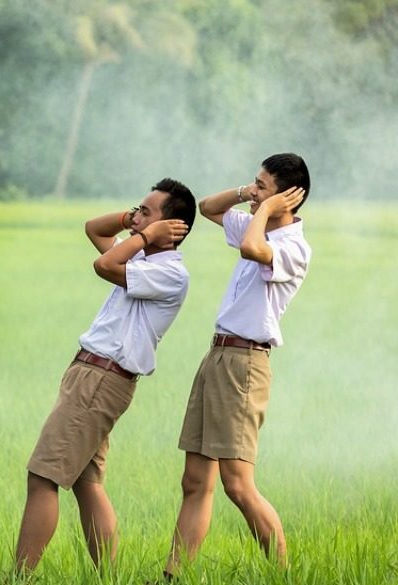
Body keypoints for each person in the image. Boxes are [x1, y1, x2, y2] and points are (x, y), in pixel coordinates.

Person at [15, 178, 196, 573]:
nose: (136, 219)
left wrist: (145, 234)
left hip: (101, 379)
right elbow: (94, 229)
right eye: (137, 210)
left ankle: (17, 578)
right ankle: (110, 577)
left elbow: (103, 264)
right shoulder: (143, 259)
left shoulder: (169, 273)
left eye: (147, 212)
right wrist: (135, 220)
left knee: (43, 477)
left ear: (172, 227)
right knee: (86, 482)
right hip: (91, 375)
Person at [161, 153, 311, 579]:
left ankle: (282, 574)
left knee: (238, 485)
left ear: (286, 198)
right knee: (195, 481)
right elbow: (209, 207)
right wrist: (251, 195)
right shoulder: (256, 222)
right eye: (255, 183)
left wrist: (264, 208)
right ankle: (174, 575)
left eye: (263, 185)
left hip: (246, 363)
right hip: (218, 356)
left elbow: (251, 247)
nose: (253, 191)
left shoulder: (293, 247)